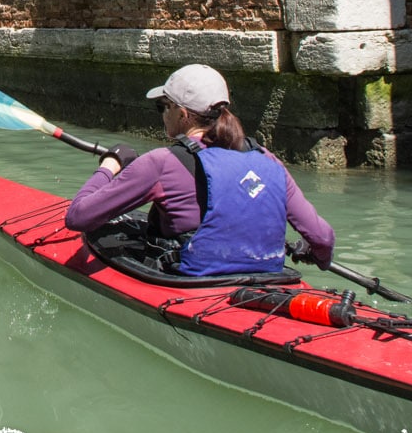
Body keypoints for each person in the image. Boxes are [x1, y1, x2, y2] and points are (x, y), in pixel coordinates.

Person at [64, 64, 334, 277]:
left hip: (192, 280)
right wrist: (317, 255)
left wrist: (110, 166)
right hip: (265, 274)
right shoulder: (267, 159)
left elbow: (78, 217)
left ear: (182, 114)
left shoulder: (161, 162)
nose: (161, 114)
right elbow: (322, 237)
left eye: (163, 107)